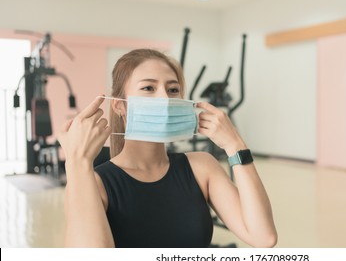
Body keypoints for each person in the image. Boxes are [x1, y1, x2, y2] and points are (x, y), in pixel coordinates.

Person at [57, 48, 277, 248]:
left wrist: (235, 145)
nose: (164, 98)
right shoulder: (95, 183)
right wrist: (77, 161)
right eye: (148, 88)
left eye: (173, 90)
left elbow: (263, 237)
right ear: (120, 105)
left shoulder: (202, 167)